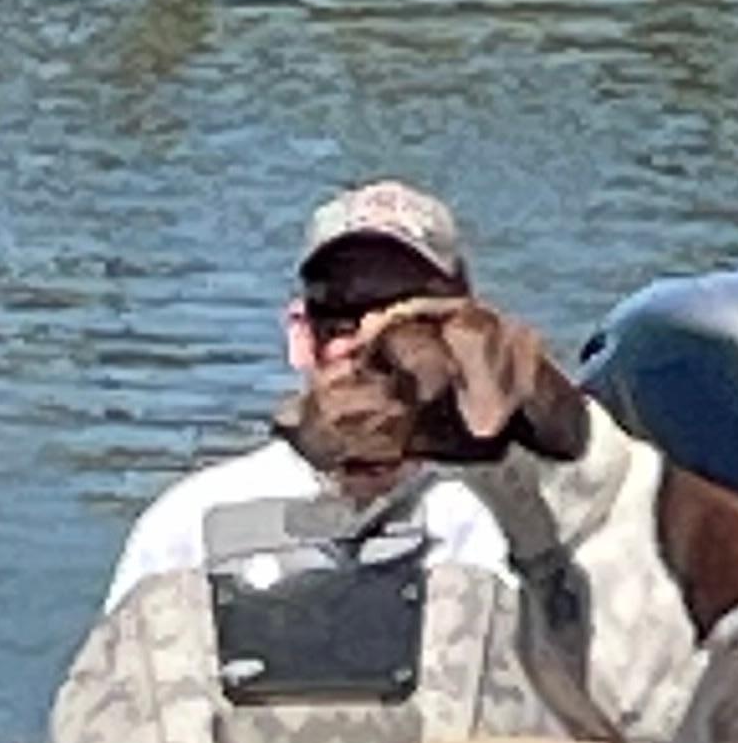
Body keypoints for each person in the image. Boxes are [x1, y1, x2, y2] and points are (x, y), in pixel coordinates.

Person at [102, 181, 515, 608]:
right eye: (343, 319)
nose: (371, 344)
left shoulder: (497, 529)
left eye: (409, 322)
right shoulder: (189, 526)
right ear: (300, 335)